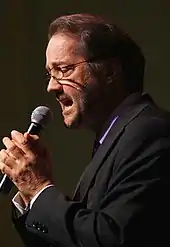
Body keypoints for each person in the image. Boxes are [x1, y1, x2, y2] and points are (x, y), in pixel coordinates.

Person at [0, 13, 170, 247]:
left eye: (64, 70)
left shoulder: (150, 132)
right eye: (50, 73)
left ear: (110, 72)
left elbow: (113, 239)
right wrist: (31, 195)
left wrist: (39, 188)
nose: (51, 86)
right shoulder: (116, 136)